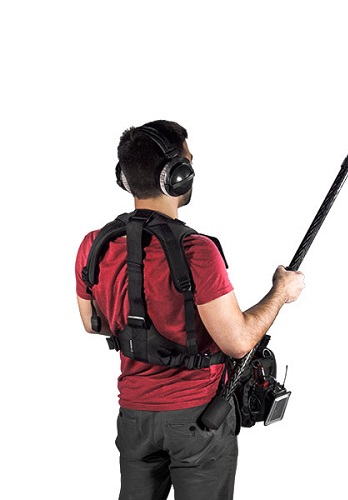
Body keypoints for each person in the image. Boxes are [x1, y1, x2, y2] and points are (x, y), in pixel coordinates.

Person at [75, 119, 305, 500]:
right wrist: (280, 292)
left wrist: (139, 324)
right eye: (188, 161)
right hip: (197, 419)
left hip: (134, 417)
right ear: (176, 176)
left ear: (126, 177)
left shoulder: (93, 245)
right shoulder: (197, 251)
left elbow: (93, 322)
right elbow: (238, 342)